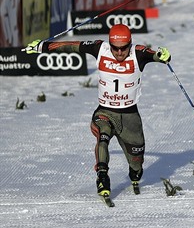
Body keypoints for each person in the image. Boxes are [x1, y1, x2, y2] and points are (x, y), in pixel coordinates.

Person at [24, 24, 171, 198]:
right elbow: (72, 45)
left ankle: (134, 173)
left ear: (129, 44)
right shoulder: (101, 48)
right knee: (103, 136)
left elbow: (155, 55)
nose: (119, 53)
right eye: (115, 49)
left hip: (130, 115)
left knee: (137, 162)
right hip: (105, 112)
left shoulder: (138, 53)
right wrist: (43, 46)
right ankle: (102, 177)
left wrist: (162, 56)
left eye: (123, 49)